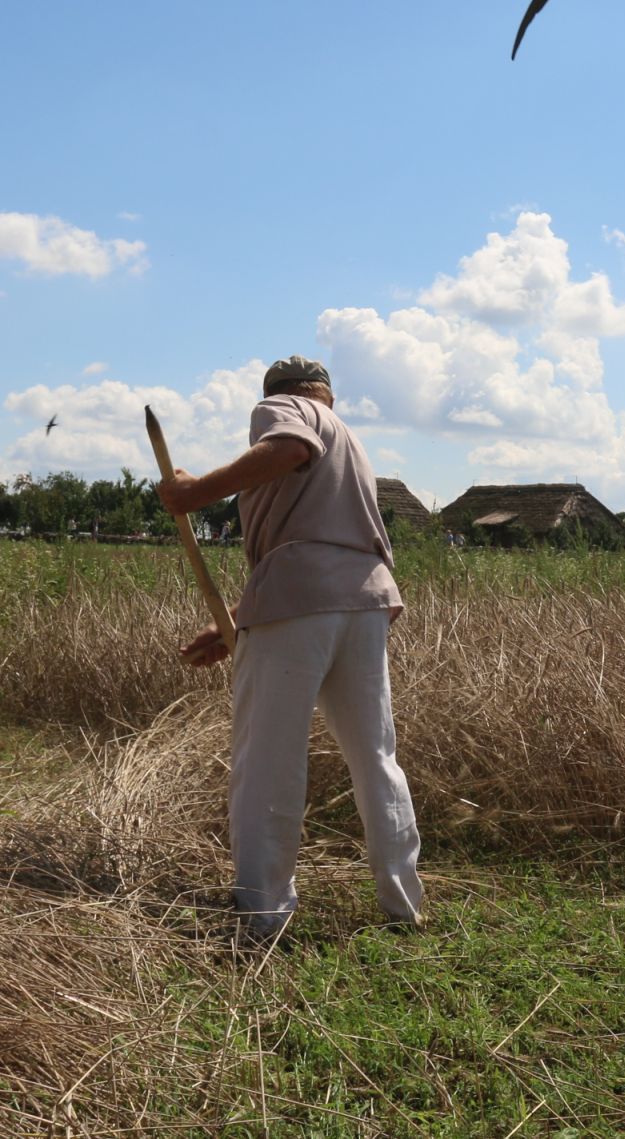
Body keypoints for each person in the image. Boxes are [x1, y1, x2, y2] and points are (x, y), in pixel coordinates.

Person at [157, 355, 423, 940]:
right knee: (375, 757)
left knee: (268, 760)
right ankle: (403, 903)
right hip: (365, 600)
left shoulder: (287, 411)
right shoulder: (349, 439)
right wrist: (234, 619)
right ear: (328, 393)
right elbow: (320, 541)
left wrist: (193, 492)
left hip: (303, 599)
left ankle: (262, 913)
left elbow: (288, 447)